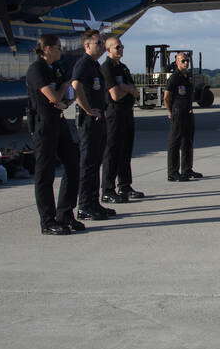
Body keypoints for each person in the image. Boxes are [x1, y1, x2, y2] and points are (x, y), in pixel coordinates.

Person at [26, 34, 81, 235]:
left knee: (73, 163)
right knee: (45, 173)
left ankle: (65, 213)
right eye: (58, 47)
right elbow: (53, 97)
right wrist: (65, 87)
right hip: (43, 124)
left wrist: (64, 96)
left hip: (58, 120)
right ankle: (47, 221)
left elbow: (66, 99)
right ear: (47, 48)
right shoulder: (37, 70)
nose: (61, 50)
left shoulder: (56, 68)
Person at [71, 29, 114, 221]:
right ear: (86, 45)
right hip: (88, 122)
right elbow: (75, 86)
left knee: (96, 162)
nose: (102, 46)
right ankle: (85, 206)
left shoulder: (94, 65)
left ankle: (94, 203)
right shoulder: (83, 64)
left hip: (99, 120)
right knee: (88, 164)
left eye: (102, 42)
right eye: (98, 43)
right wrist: (88, 109)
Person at [100, 35, 144, 203]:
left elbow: (136, 91)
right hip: (114, 114)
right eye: (117, 47)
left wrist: (126, 87)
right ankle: (108, 189)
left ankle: (125, 185)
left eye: (122, 46)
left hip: (127, 112)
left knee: (126, 150)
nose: (121, 49)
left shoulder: (123, 68)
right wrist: (127, 88)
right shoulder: (106, 68)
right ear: (108, 49)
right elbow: (115, 95)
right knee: (112, 152)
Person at [165, 51, 202, 181]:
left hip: (188, 112)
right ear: (177, 62)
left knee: (188, 141)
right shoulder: (174, 77)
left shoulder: (187, 76)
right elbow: (166, 97)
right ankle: (173, 172)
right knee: (175, 142)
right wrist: (170, 111)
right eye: (183, 61)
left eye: (187, 60)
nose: (186, 63)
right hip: (178, 113)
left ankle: (187, 169)